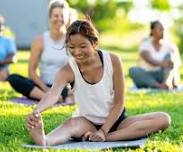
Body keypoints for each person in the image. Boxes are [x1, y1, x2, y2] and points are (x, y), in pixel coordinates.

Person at [26, 19, 171, 146]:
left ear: (94, 43)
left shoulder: (113, 60)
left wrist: (103, 131)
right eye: (71, 47)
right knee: (70, 124)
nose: (77, 52)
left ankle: (105, 138)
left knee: (163, 119)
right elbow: (53, 94)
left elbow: (119, 102)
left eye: (82, 46)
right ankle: (44, 140)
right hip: (86, 123)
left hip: (117, 122)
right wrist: (37, 111)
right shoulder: (67, 70)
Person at [8, 1, 74, 103]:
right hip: (43, 85)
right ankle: (47, 97)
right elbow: (32, 72)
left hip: (64, 86)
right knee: (13, 78)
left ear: (67, 18)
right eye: (56, 16)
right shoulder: (39, 40)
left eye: (62, 16)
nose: (59, 19)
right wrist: (46, 90)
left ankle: (57, 96)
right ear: (50, 18)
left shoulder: (72, 40)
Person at [129, 20, 181, 89]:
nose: (163, 31)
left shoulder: (170, 46)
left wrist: (171, 63)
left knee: (169, 56)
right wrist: (162, 63)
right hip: (148, 75)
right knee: (133, 70)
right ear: (152, 31)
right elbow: (148, 59)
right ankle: (159, 86)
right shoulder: (145, 44)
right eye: (160, 29)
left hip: (164, 75)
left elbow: (175, 63)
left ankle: (166, 82)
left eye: (163, 29)